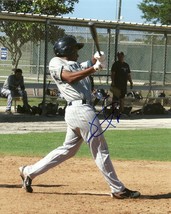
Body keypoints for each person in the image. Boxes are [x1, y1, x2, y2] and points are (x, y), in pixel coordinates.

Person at [19, 35, 140, 199]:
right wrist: (94, 68)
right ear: (66, 50)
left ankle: (28, 171)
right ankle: (117, 189)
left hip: (80, 111)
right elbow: (69, 77)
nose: (77, 52)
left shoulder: (74, 64)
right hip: (80, 110)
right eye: (75, 49)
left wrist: (97, 59)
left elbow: (84, 66)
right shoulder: (56, 62)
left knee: (67, 150)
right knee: (100, 148)